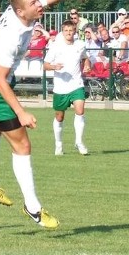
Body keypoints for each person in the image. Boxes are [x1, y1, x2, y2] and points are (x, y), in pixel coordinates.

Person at [0, 0, 87, 230]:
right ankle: (33, 207)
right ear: (22, 12)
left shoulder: (22, 10)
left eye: (37, 0)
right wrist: (21, 112)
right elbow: (1, 81)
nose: (39, 4)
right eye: (34, 3)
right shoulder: (12, 37)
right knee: (22, 145)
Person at [43, 20, 91, 156]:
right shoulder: (55, 47)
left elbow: (85, 58)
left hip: (76, 84)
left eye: (71, 30)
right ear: (62, 32)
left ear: (75, 31)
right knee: (59, 116)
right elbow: (45, 65)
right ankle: (58, 144)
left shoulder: (80, 45)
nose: (69, 33)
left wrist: (87, 64)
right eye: (66, 31)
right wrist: (54, 67)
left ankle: (79, 141)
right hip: (61, 87)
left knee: (80, 110)